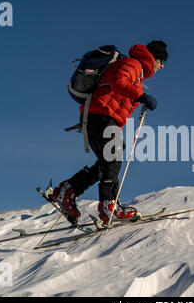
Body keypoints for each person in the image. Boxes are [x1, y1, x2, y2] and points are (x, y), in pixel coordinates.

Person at [50, 40, 168, 226]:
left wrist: (139, 97)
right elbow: (118, 83)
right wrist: (141, 96)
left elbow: (121, 103)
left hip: (102, 117)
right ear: (153, 58)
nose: (161, 66)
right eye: (162, 61)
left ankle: (68, 191)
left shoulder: (138, 76)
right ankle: (108, 206)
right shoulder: (133, 64)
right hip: (100, 114)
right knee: (112, 158)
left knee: (109, 161)